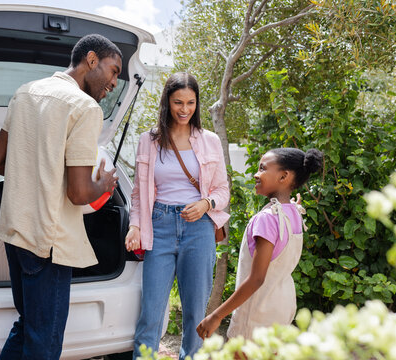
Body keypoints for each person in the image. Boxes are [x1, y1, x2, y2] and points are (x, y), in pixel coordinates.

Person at [0, 34, 121, 360]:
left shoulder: (25, 93)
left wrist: (37, 172)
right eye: (114, 71)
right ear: (92, 60)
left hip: (15, 234)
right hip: (48, 242)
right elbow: (78, 193)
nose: (114, 82)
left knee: (27, 325)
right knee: (44, 344)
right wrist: (103, 184)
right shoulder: (86, 107)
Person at [125, 72, 230, 360]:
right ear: (167, 103)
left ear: (197, 103)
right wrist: (135, 225)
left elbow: (223, 190)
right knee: (151, 313)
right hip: (158, 226)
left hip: (198, 229)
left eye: (191, 103)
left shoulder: (209, 141)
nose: (185, 110)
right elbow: (138, 192)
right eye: (178, 102)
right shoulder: (149, 140)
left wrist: (206, 203)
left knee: (195, 313)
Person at [196, 147, 323, 340]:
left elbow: (257, 278)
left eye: (263, 169)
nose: (256, 174)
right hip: (282, 309)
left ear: (284, 176)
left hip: (256, 316)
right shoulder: (295, 212)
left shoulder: (267, 219)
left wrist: (216, 315)